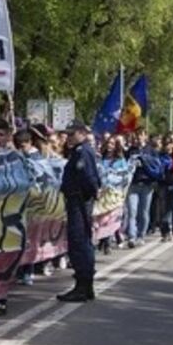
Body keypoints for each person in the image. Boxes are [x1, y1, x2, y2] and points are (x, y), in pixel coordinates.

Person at [56, 120, 101, 303]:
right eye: (68, 134)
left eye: (72, 133)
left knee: (79, 241)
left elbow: (89, 178)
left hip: (79, 200)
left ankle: (83, 285)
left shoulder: (83, 152)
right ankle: (85, 285)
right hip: (77, 199)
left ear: (82, 133)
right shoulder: (79, 151)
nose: (69, 137)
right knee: (81, 240)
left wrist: (87, 196)